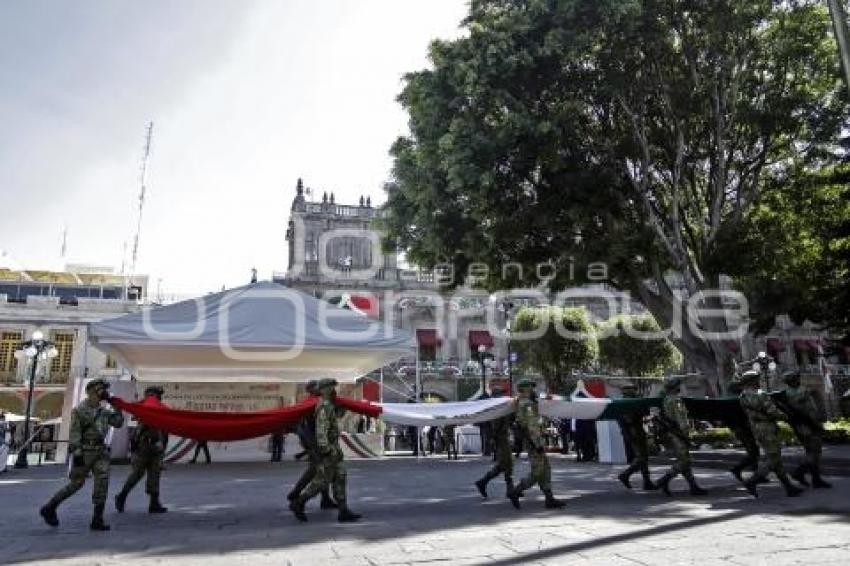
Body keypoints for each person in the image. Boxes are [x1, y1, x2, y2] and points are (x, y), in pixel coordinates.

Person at [40, 378, 124, 530]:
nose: (104, 392)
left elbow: (118, 423)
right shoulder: (79, 410)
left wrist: (117, 406)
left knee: (102, 483)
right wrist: (77, 453)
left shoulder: (104, 412)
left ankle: (97, 519)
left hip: (101, 452)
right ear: (92, 391)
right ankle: (50, 507)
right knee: (76, 484)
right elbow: (75, 433)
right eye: (101, 389)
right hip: (84, 452)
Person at [289, 378, 361, 522]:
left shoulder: (327, 404)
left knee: (340, 476)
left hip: (333, 449)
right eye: (332, 387)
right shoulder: (324, 406)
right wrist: (324, 449)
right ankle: (298, 502)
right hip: (327, 450)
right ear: (326, 389)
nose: (335, 390)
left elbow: (334, 418)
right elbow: (321, 429)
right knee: (321, 481)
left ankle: (343, 510)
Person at [737, 370, 804, 498]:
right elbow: (772, 412)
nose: (759, 381)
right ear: (753, 381)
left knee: (775, 458)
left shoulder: (743, 396)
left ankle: (788, 487)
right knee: (773, 458)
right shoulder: (760, 394)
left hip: (756, 428)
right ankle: (751, 481)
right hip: (767, 427)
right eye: (757, 379)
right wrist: (786, 416)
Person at [507, 379, 565, 509]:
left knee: (545, 468)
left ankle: (549, 498)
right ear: (525, 389)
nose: (533, 390)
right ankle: (515, 491)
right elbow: (531, 426)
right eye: (531, 388)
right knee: (538, 471)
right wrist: (538, 445)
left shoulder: (522, 402)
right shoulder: (527, 404)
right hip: (533, 442)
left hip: (532, 441)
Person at [114, 386, 169, 514]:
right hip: (143, 447)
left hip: (156, 447)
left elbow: (165, 430)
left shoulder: (160, 409)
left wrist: (163, 447)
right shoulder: (143, 409)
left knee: (155, 475)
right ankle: (121, 496)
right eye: (156, 395)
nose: (158, 397)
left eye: (158, 395)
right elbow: (138, 426)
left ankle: (154, 503)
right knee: (137, 474)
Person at [653, 376, 707, 496]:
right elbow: (682, 420)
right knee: (684, 460)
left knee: (685, 461)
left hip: (671, 433)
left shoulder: (666, 399)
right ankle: (664, 480)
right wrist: (687, 434)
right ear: (676, 387)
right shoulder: (676, 400)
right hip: (677, 433)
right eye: (679, 386)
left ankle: (693, 486)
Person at [287, 380, 336, 509]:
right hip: (316, 443)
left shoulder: (314, 401)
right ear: (312, 389)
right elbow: (306, 427)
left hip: (316, 442)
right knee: (318, 470)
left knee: (319, 470)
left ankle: (324, 499)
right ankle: (297, 494)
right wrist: (313, 446)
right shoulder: (312, 403)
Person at [781, 370, 831, 489]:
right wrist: (817, 424)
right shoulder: (802, 392)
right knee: (815, 453)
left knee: (810, 451)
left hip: (799, 426)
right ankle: (799, 472)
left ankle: (816, 479)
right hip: (809, 425)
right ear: (794, 380)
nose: (799, 379)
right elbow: (810, 411)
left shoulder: (786, 393)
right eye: (797, 378)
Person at [475, 388, 515, 498]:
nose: (503, 396)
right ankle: (509, 488)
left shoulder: (501, 408)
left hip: (503, 437)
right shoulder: (496, 410)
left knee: (504, 464)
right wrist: (494, 439)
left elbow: (509, 420)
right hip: (500, 438)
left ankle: (483, 482)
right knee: (507, 463)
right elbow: (496, 427)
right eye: (501, 394)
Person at [616, 383, 657, 491]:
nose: (635, 391)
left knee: (644, 457)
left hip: (635, 431)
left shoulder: (624, 402)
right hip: (634, 432)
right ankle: (625, 475)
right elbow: (630, 418)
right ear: (628, 391)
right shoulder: (626, 403)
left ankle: (647, 481)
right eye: (633, 390)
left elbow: (644, 412)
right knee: (641, 457)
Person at [725, 380, 761, 483]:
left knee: (754, 450)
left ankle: (756, 472)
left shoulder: (732, 401)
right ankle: (738, 469)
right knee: (753, 451)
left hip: (742, 429)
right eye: (740, 387)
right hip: (743, 429)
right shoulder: (736, 401)